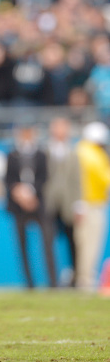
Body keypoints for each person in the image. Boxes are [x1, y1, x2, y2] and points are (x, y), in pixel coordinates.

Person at [5, 124, 57, 288]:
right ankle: (29, 283)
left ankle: (53, 283)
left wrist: (31, 193)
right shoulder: (12, 155)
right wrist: (19, 193)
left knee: (47, 244)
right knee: (22, 246)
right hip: (18, 206)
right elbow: (8, 179)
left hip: (39, 204)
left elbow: (44, 177)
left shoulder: (41, 155)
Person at [43, 117, 80, 287]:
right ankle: (52, 279)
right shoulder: (45, 151)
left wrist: (79, 204)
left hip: (68, 204)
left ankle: (75, 277)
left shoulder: (73, 152)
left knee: (73, 242)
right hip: (50, 203)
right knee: (48, 242)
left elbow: (77, 180)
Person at [74, 121, 110, 290]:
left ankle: (82, 279)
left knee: (82, 245)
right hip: (93, 204)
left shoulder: (78, 150)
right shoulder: (95, 154)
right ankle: (86, 281)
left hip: (80, 205)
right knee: (91, 245)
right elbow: (105, 178)